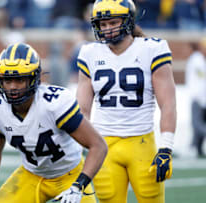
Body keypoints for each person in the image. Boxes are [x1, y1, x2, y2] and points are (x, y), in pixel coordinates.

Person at [0, 43, 108, 203]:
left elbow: (98, 146)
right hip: (31, 174)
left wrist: (79, 185)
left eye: (19, 79)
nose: (13, 87)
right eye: (7, 80)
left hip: (70, 174)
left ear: (33, 79)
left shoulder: (54, 104)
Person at [76, 0, 177, 203]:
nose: (107, 29)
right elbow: (82, 110)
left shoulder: (152, 49)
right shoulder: (89, 53)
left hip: (141, 142)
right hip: (103, 146)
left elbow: (168, 104)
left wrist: (166, 148)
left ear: (128, 20)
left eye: (112, 22)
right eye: (102, 24)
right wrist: (77, 149)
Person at [185, 38, 206, 158]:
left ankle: (197, 148)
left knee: (199, 125)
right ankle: (193, 147)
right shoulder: (196, 59)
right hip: (197, 97)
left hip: (204, 98)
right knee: (197, 125)